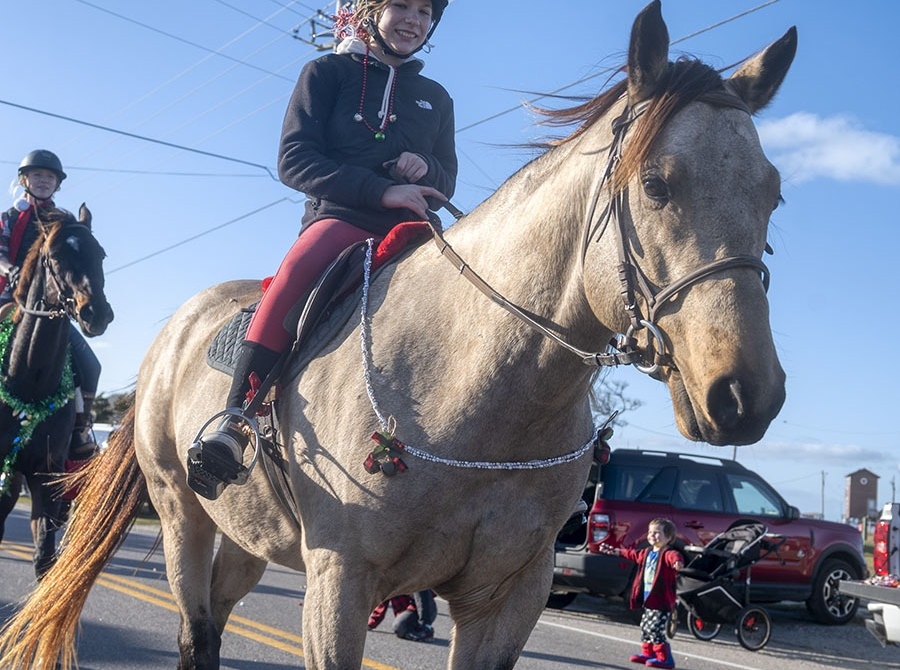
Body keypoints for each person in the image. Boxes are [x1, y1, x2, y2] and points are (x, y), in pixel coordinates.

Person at [188, 0, 457, 499]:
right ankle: (234, 419)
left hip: (415, 227)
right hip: (341, 220)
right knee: (296, 272)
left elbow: (449, 177)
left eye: (424, 11)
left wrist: (425, 169)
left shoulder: (436, 98)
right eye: (401, 5)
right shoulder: (326, 72)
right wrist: (381, 191)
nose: (413, 19)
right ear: (373, 11)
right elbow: (294, 159)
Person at [0, 150, 103, 462]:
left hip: (51, 307)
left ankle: (79, 429)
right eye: (38, 175)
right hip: (9, 301)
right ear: (24, 180)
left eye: (50, 177)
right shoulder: (8, 217)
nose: (44, 180)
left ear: (57, 184)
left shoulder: (61, 221)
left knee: (91, 366)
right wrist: (9, 269)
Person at [598, 518, 684, 668]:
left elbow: (675, 557)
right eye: (650, 532)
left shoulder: (667, 553)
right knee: (645, 627)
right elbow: (631, 554)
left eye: (657, 533)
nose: (652, 535)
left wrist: (677, 563)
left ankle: (665, 658)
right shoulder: (647, 552)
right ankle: (647, 654)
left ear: (668, 538)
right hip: (648, 599)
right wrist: (613, 551)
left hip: (661, 600)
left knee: (655, 629)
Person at [368, 589, 436, 641]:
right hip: (408, 613)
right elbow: (383, 603)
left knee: (420, 587)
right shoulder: (390, 579)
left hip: (426, 610)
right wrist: (371, 624)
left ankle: (426, 628)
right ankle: (415, 631)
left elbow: (431, 594)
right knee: (399, 627)